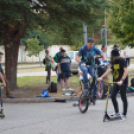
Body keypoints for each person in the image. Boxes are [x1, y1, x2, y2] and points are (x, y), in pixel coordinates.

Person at [98, 49, 128, 121]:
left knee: (123, 98)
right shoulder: (113, 61)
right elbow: (109, 70)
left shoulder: (122, 60)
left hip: (123, 82)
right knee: (112, 95)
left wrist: (121, 80)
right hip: (115, 82)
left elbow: (126, 70)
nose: (114, 58)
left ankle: (124, 114)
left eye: (114, 57)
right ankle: (117, 112)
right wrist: (101, 77)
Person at [75, 37, 106, 103]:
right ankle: (86, 88)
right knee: (85, 70)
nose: (91, 45)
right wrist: (81, 62)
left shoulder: (94, 48)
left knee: (95, 78)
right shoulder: (83, 48)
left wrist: (105, 61)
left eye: (92, 44)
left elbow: (102, 55)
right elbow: (76, 58)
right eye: (90, 44)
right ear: (87, 43)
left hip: (91, 66)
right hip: (83, 65)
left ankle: (94, 96)